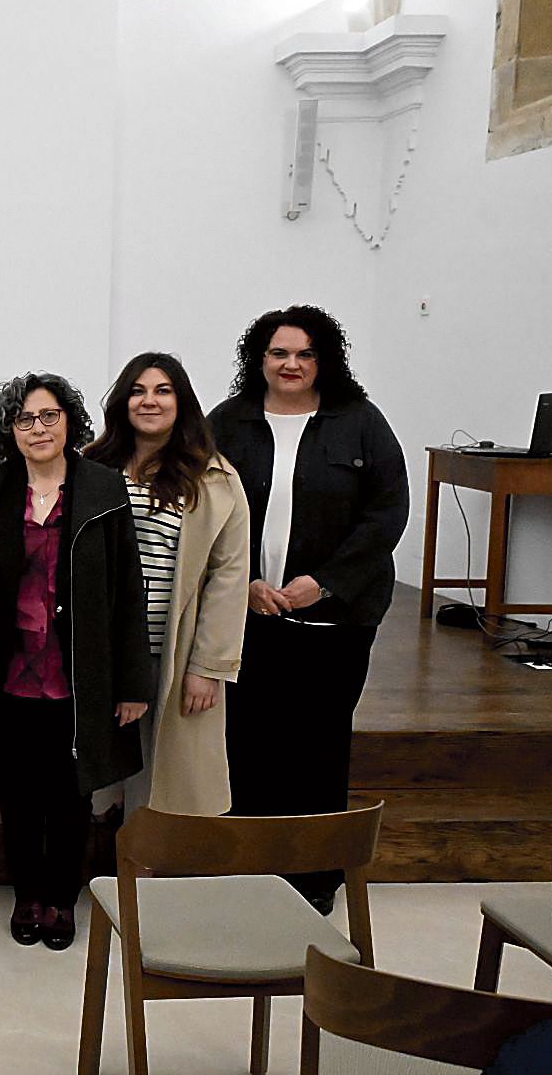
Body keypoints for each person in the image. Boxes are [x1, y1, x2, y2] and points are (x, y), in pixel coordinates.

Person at [0, 373, 152, 950]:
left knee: (71, 794)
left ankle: (61, 898)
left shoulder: (103, 489)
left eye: (49, 416)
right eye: (25, 419)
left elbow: (129, 590)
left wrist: (133, 682)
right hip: (10, 673)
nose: (38, 429)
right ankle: (27, 895)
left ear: (69, 422)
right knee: (19, 794)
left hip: (78, 672)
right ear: (11, 431)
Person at [208, 305, 407, 914]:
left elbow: (386, 515)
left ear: (324, 361)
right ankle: (251, 864)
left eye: (305, 354)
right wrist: (242, 583)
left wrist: (324, 584)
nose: (291, 364)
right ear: (259, 359)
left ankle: (314, 875)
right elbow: (201, 509)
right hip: (249, 615)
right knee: (250, 740)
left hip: (335, 621)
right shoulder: (228, 422)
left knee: (318, 741)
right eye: (279, 353)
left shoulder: (360, 422)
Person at [83, 352, 250, 816]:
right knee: (100, 780)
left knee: (163, 781)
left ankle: (149, 861)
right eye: (137, 391)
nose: (149, 401)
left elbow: (229, 575)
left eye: (162, 391)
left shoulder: (213, 477)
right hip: (103, 650)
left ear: (182, 402)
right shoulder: (92, 466)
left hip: (172, 650)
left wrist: (208, 667)